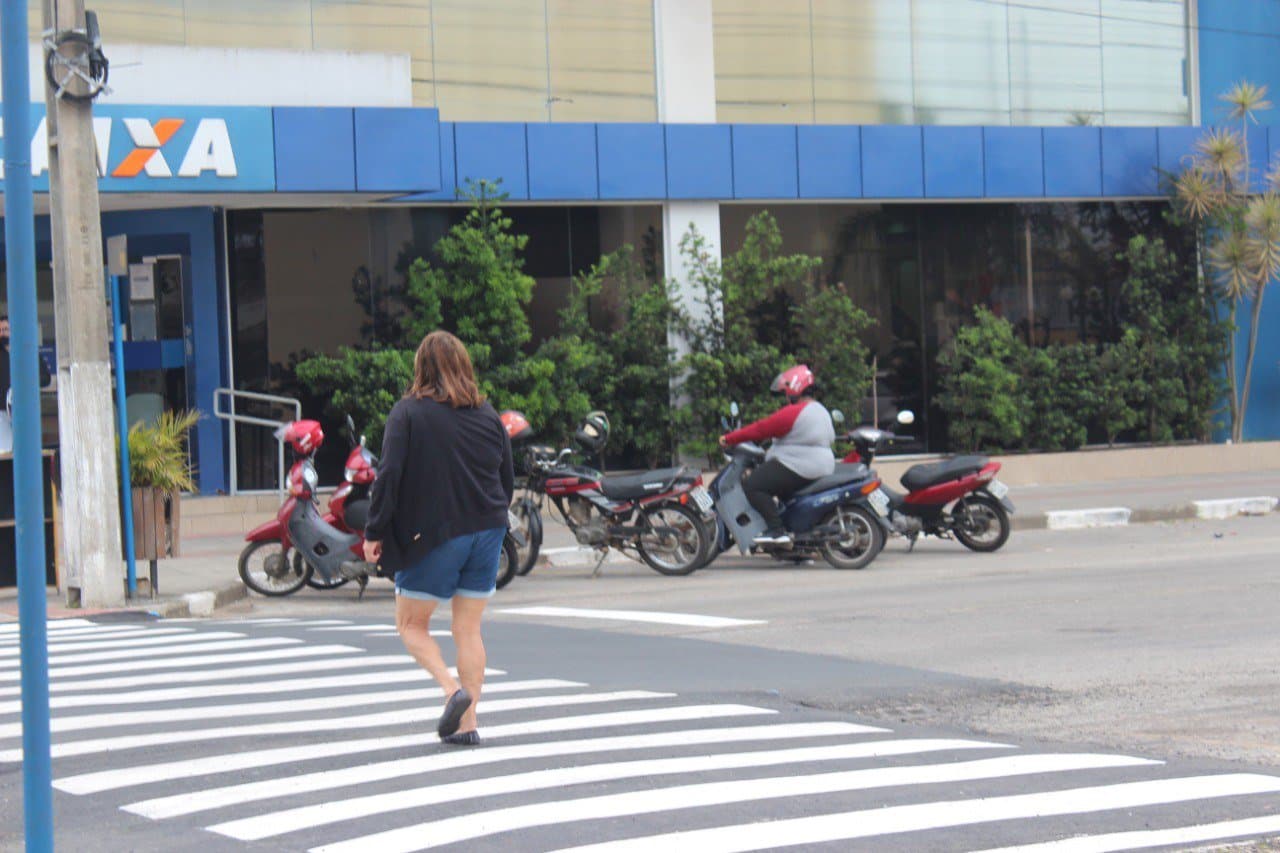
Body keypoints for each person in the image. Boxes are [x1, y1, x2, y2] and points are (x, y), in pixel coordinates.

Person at [363, 330, 514, 746]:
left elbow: (388, 475)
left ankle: (452, 692)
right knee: (468, 629)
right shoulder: (487, 414)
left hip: (436, 533)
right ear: (464, 366)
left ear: (420, 368)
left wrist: (374, 531)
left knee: (411, 624)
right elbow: (507, 479)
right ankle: (468, 726)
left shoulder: (407, 413)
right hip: (489, 529)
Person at [718, 364, 836, 547]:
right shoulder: (819, 410)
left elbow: (761, 429)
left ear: (794, 390)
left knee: (754, 485)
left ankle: (776, 531)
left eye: (786, 392)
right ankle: (795, 539)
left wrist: (729, 438)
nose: (786, 397)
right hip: (820, 464)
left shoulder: (794, 412)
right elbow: (795, 437)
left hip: (800, 465)